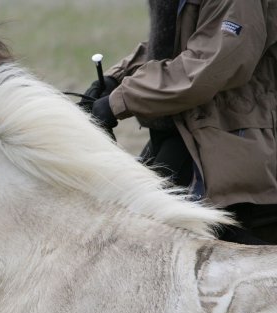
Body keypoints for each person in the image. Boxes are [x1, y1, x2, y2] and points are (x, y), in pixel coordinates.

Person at [84, 0, 277, 245]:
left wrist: (120, 101)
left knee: (143, 238)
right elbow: (176, 44)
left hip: (232, 139)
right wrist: (116, 77)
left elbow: (210, 65)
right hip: (187, 130)